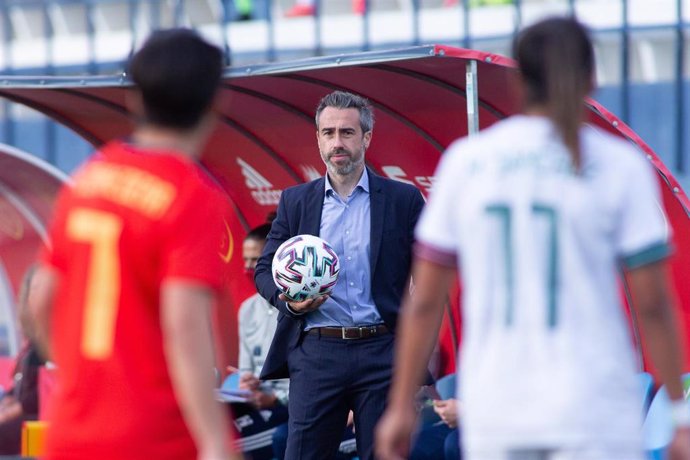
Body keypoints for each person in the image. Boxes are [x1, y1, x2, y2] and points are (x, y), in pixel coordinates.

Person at [376, 16, 690, 460]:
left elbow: (424, 303)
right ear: (592, 77)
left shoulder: (468, 163)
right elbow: (654, 306)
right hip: (596, 401)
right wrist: (679, 416)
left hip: (499, 402)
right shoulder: (619, 165)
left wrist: (399, 407)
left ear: (519, 79)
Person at [28, 29, 240, 460]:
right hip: (155, 437)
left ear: (134, 99)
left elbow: (39, 302)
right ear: (217, 102)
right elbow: (185, 326)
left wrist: (87, 382)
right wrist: (215, 441)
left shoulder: (88, 180)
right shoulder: (192, 195)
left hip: (71, 432)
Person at [254, 90, 425, 460]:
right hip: (317, 352)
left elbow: (429, 277)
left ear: (366, 137)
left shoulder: (403, 200)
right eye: (328, 133)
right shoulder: (296, 201)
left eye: (347, 133)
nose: (337, 142)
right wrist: (288, 301)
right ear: (317, 138)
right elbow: (264, 269)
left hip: (382, 350)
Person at [0, 266, 43, 454]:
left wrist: (15, 408)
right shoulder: (32, 343)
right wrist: (9, 398)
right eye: (32, 291)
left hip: (36, 424)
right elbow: (20, 386)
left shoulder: (51, 343)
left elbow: (42, 394)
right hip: (24, 418)